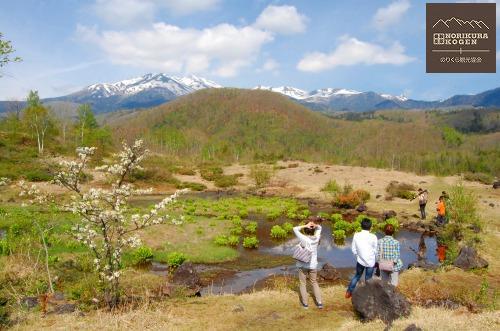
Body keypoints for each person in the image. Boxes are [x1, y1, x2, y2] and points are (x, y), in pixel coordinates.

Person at [293, 219, 323, 309]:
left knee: (303, 283)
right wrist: (315, 225)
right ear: (313, 230)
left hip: (303, 265)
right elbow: (320, 227)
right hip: (313, 265)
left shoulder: (303, 238)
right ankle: (319, 303)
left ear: (305, 230)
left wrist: (305, 225)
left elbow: (295, 229)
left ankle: (305, 304)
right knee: (314, 282)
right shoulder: (317, 238)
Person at [345, 218, 378, 299]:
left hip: (360, 260)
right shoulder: (373, 236)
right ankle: (367, 295)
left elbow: (353, 249)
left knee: (357, 276)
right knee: (368, 279)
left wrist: (358, 255)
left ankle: (348, 292)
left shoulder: (356, 235)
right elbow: (376, 250)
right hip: (370, 261)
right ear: (370, 227)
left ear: (361, 226)